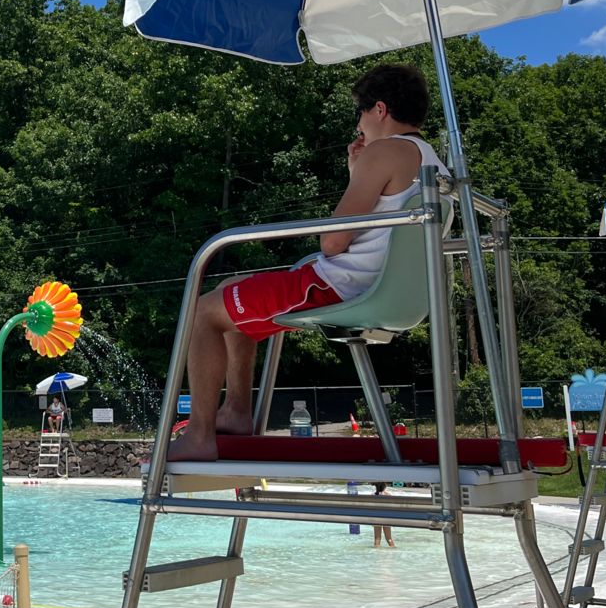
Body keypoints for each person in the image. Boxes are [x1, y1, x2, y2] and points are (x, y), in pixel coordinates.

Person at [165, 65, 446, 461]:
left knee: (202, 312)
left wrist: (361, 170)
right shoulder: (436, 164)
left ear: (380, 109)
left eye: (361, 112)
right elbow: (380, 233)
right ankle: (236, 412)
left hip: (339, 286)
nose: (359, 124)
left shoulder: (385, 151)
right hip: (391, 294)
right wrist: (356, 174)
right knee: (231, 291)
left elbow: (332, 242)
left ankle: (199, 434)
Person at [372, 482, 396, 548]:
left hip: (376, 518)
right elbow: (392, 507)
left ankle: (376, 550)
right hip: (386, 517)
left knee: (377, 538)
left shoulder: (373, 495)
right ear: (385, 486)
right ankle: (392, 548)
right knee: (389, 538)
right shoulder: (388, 495)